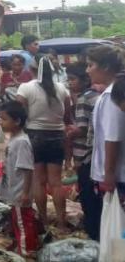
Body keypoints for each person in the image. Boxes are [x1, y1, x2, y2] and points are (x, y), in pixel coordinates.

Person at [16, 54, 72, 229]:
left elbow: (18, 112)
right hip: (57, 136)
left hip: (35, 136)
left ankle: (44, 222)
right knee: (56, 182)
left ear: (32, 69)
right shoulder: (62, 88)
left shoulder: (26, 88)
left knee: (39, 181)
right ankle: (61, 223)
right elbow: (67, 115)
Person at [86, 45, 125, 249]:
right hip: (115, 174)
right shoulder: (110, 93)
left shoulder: (113, 96)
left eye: (91, 65)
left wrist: (108, 175)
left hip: (118, 176)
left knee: (119, 227)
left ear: (106, 67)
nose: (88, 70)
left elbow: (112, 138)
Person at [0, 101, 37, 257]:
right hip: (14, 190)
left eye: (4, 119)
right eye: (0, 118)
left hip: (20, 191)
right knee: (19, 220)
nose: (0, 121)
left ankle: (27, 251)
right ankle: (25, 247)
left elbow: (27, 169)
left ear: (17, 121)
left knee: (23, 222)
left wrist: (26, 192)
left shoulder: (21, 142)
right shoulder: (14, 139)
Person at [66, 63, 101, 239]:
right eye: (68, 79)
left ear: (85, 80)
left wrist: (70, 131)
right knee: (96, 195)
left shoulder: (83, 99)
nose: (70, 83)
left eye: (73, 79)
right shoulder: (97, 95)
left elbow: (82, 129)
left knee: (87, 196)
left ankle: (93, 232)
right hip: (96, 153)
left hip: (84, 154)